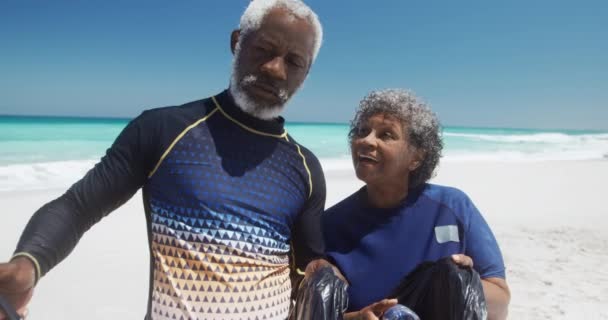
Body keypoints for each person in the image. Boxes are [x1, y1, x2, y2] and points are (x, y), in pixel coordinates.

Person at [0, 1, 332, 319]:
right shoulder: (164, 130)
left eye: (294, 61)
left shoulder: (305, 167)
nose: (275, 69)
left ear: (306, 73)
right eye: (264, 49)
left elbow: (307, 268)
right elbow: (78, 206)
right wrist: (28, 264)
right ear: (237, 42)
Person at [323, 89, 511, 320]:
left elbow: (501, 302)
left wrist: (460, 283)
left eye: (386, 135)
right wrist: (357, 318)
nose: (366, 141)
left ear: (416, 158)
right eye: (362, 131)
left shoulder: (453, 207)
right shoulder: (330, 224)